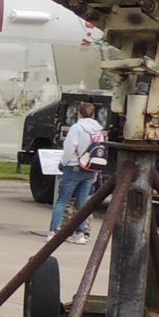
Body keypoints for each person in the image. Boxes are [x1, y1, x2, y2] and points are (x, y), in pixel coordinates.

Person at [50, 101, 105, 243]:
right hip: (91, 168)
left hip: (74, 167)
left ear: (79, 113)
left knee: (62, 201)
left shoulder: (76, 128)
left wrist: (63, 163)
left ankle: (54, 232)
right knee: (83, 203)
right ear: (93, 114)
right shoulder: (98, 130)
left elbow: (69, 148)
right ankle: (80, 234)